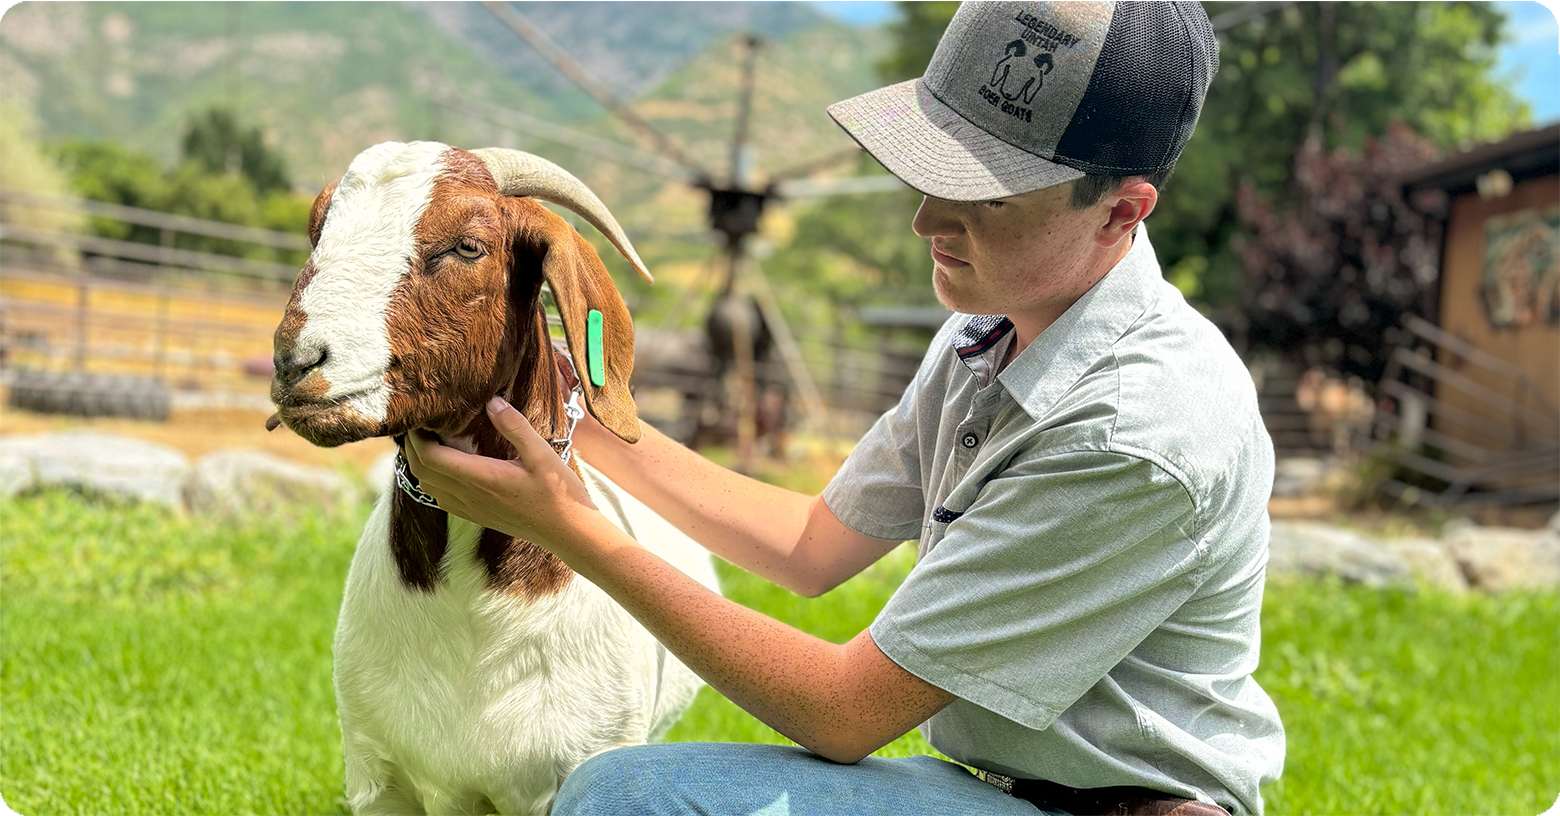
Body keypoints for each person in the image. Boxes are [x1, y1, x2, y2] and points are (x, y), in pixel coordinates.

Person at [404, 2, 1285, 814]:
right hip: (996, 790)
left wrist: (563, 525)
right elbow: (813, 546)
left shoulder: (1135, 432)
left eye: (986, 195)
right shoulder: (999, 322)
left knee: (629, 803)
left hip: (1114, 809)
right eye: (931, 168)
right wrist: (582, 424)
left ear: (1120, 212)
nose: (928, 219)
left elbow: (844, 710)